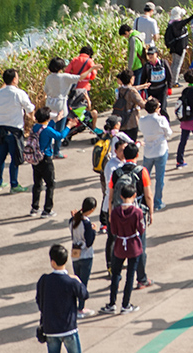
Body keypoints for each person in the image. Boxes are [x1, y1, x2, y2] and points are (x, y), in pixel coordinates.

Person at [36, 244, 89, 353]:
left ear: (53, 262)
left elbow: (39, 301)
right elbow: (84, 295)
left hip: (51, 329)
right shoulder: (71, 282)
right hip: (68, 328)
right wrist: (78, 281)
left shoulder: (44, 280)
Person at [101, 182, 145, 315]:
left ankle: (112, 303)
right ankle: (125, 304)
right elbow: (141, 229)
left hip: (120, 244)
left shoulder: (115, 212)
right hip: (133, 245)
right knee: (130, 275)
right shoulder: (137, 212)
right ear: (134, 196)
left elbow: (113, 230)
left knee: (116, 274)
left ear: (120, 196)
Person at [0, 68, 34, 192]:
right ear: (14, 79)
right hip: (15, 130)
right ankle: (14, 185)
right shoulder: (19, 93)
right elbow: (29, 108)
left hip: (1, 129)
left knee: (0, 159)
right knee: (15, 159)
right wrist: (32, 117)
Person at [137, 98, 171, 211]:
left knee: (144, 178)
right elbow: (168, 133)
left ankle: (142, 200)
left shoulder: (142, 120)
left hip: (148, 151)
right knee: (159, 178)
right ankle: (157, 202)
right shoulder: (161, 119)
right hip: (161, 150)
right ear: (156, 109)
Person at [68, 197, 97, 318]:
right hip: (85, 254)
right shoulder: (86, 223)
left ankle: (75, 306)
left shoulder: (72, 220)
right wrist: (93, 230)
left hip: (75, 253)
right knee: (83, 282)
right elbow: (89, 242)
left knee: (77, 280)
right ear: (91, 210)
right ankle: (81, 307)